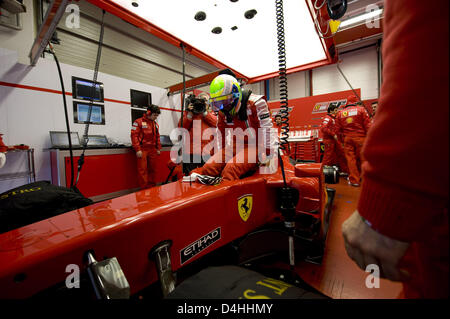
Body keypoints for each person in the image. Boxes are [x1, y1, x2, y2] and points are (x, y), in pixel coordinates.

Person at [341, 0, 448, 299]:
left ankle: (354, 180)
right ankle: (357, 181)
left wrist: (391, 194)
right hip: (371, 142)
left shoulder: (338, 115)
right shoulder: (359, 111)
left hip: (405, 157)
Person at [192, 74, 277, 182]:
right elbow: (220, 135)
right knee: (208, 168)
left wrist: (268, 155)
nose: (223, 106)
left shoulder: (256, 103)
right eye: (219, 103)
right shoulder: (223, 113)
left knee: (230, 170)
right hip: (236, 146)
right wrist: (217, 156)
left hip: (257, 147)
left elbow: (267, 130)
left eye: (225, 101)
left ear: (236, 94)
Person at [335, 95, 371, 186]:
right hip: (361, 138)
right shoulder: (361, 110)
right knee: (363, 159)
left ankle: (354, 180)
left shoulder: (340, 113)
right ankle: (366, 179)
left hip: (347, 139)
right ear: (356, 101)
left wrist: (342, 141)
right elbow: (368, 125)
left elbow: (338, 130)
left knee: (351, 160)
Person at [178, 92, 217, 174]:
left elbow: (216, 123)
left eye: (205, 100)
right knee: (190, 177)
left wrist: (205, 113)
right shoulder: (189, 113)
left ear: (208, 103)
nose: (202, 102)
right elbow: (181, 128)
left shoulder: (211, 114)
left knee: (206, 175)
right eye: (200, 99)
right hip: (191, 152)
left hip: (207, 152)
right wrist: (189, 114)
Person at [131, 104, 161, 189]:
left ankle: (152, 188)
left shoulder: (155, 124)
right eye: (155, 115)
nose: (156, 117)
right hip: (142, 149)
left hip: (152, 150)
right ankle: (143, 189)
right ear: (148, 113)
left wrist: (158, 148)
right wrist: (137, 149)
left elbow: (157, 136)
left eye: (157, 115)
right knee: (142, 170)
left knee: (153, 169)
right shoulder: (138, 122)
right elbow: (134, 136)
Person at [320, 104, 348, 175]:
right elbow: (323, 128)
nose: (337, 111)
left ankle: (344, 170)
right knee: (328, 157)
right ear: (331, 111)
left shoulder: (334, 118)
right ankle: (323, 173)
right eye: (335, 110)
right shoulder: (327, 118)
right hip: (329, 140)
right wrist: (333, 134)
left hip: (335, 140)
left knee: (341, 154)